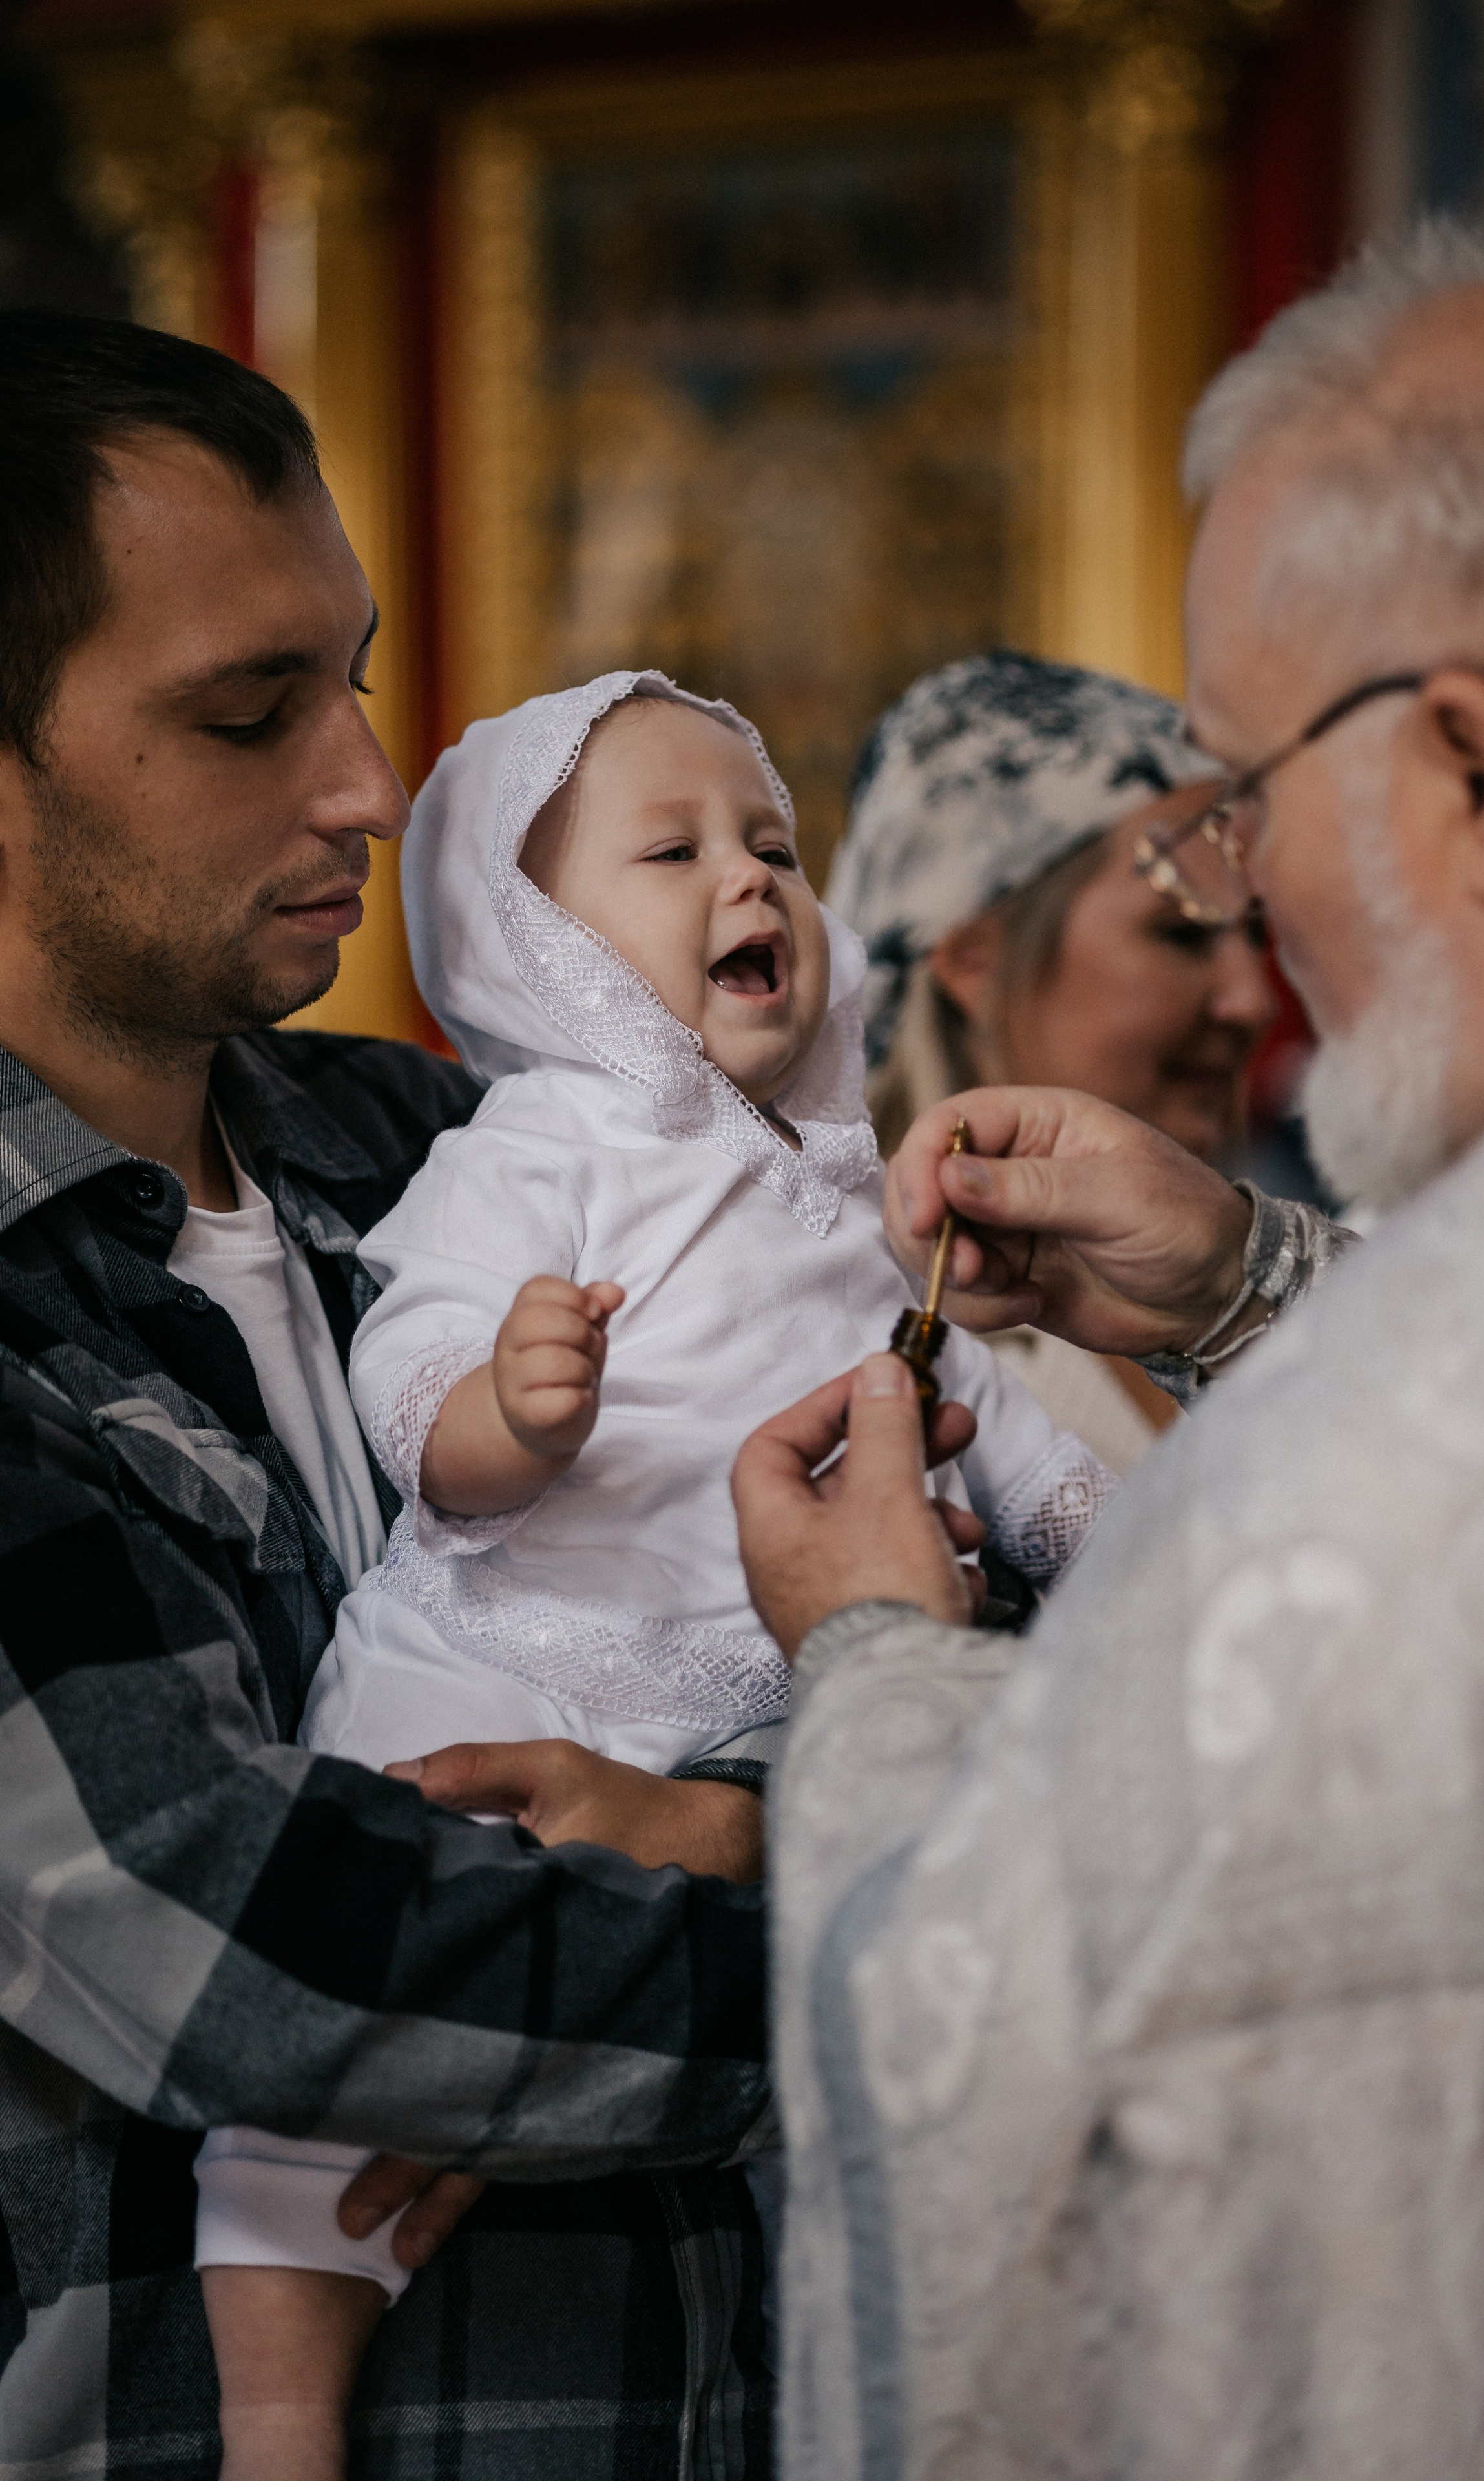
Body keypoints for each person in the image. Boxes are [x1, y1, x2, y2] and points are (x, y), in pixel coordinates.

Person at [731, 228, 1484, 2476]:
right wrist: (1252, 1281)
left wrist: (869, 1666)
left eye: (1243, 797)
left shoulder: (1383, 1480)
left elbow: (1001, 2071)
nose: (1251, 917)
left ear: (1476, 778)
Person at [0, 313, 777, 2477]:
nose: (366, 777)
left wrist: (741, 1812)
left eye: (346, 674)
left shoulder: (460, 1145)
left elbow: (887, 1565)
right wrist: (894, 1936)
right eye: (251, 714)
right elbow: (229, 1930)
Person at [194, 671, 1111, 2466]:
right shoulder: (536, 1143)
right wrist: (505, 1417)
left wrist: (1091, 1519)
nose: (750, 882)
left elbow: (951, 1387)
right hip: (511, 1641)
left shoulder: (852, 1187)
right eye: (675, 850)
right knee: (312, 2090)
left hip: (748, 1696)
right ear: (537, 944)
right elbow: (415, 1351)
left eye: (773, 844)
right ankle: (280, 2427)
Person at [828, 651, 1277, 1471]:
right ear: (975, 959)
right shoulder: (856, 1337)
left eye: (1258, 933)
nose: (1252, 1000)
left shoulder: (1300, 1259)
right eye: (1180, 933)